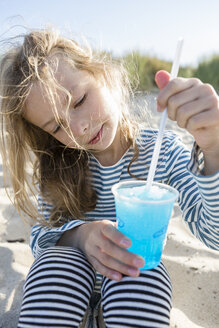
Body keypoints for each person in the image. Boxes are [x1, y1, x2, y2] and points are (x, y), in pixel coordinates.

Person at [0, 28, 218, 328]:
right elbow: (40, 239)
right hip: (66, 285)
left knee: (139, 266)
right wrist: (82, 236)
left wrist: (214, 149)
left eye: (79, 102)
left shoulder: (163, 152)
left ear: (102, 75)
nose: (79, 128)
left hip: (134, 284)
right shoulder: (58, 165)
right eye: (57, 126)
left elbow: (214, 234)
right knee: (53, 262)